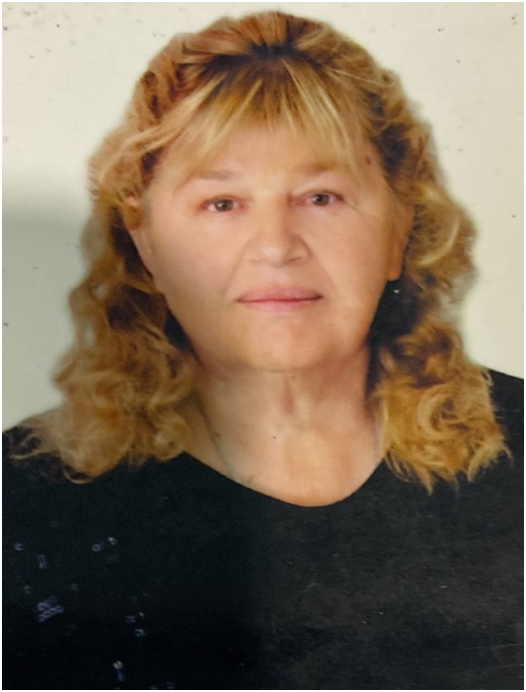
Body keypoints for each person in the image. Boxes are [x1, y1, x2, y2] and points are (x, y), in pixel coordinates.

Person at [2, 9, 523, 691]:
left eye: (321, 197)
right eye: (222, 203)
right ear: (145, 240)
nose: (276, 247)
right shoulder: (26, 507)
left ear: (400, 227)